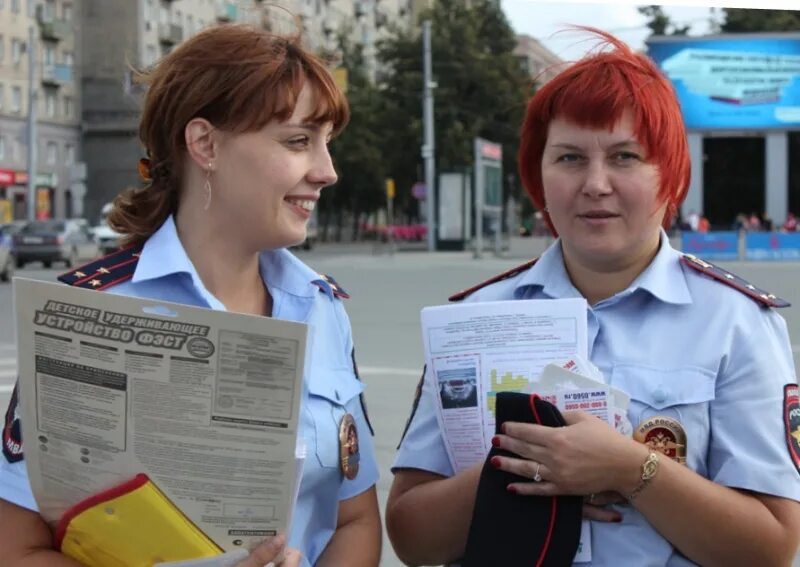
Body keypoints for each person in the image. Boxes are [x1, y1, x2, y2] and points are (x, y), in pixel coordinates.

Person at [387, 27, 800, 567]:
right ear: (539, 174)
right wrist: (528, 462)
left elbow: (771, 545)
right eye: (569, 158)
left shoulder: (737, 322)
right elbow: (412, 538)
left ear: (669, 175)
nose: (596, 183)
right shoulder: (475, 318)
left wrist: (630, 469)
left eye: (625, 157)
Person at [0, 24, 381, 567]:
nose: (327, 171)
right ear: (205, 144)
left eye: (326, 144)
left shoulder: (321, 307)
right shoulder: (81, 314)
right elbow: (16, 549)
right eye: (299, 141)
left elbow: (355, 518)